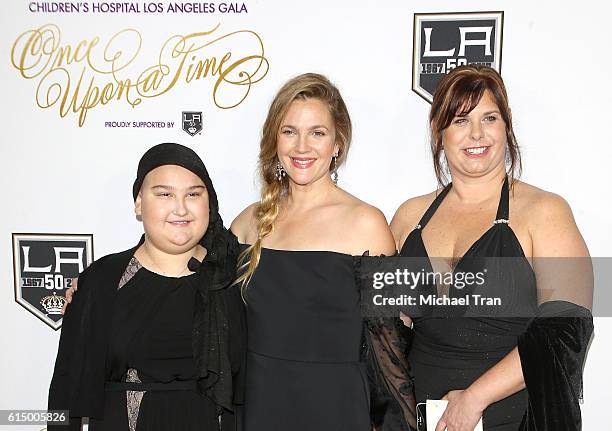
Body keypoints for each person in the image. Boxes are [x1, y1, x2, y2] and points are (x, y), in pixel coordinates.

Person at [390, 65, 593, 430]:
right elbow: (386, 332)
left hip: (516, 421)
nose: (477, 134)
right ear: (439, 133)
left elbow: (567, 330)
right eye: (460, 120)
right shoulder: (408, 217)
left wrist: (473, 400)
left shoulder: (545, 211)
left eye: (490, 118)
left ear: (506, 125)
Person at [230, 73, 415, 430]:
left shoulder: (367, 224)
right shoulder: (246, 224)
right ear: (274, 139)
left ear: (337, 144)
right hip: (259, 405)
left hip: (336, 407)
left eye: (317, 132)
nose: (302, 146)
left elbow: (388, 349)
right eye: (289, 131)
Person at [48, 143, 245, 431]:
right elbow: (66, 389)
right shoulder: (103, 280)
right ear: (139, 202)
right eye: (164, 194)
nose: (180, 208)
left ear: (209, 203)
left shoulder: (236, 278)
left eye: (193, 194)